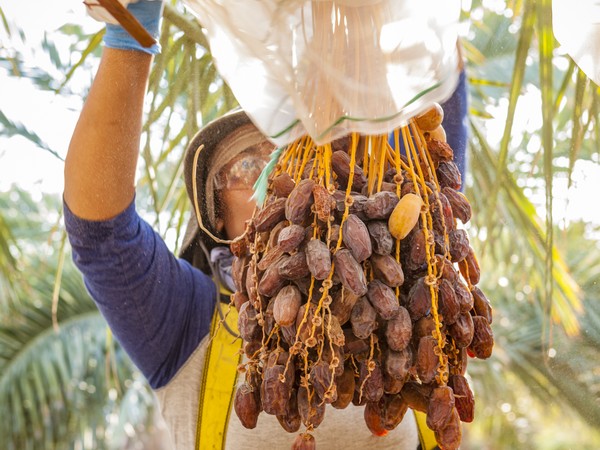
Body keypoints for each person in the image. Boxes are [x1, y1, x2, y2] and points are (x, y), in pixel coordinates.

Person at [65, 1, 467, 449]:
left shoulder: (402, 274)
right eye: (248, 166)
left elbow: (432, 130)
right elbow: (102, 237)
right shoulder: (186, 323)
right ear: (217, 217)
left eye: (296, 158)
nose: (278, 180)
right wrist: (131, 30)